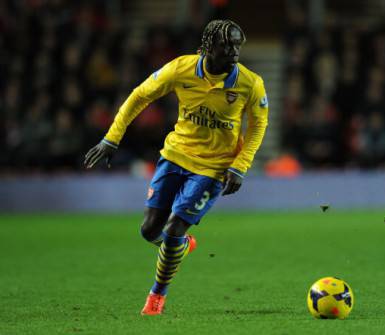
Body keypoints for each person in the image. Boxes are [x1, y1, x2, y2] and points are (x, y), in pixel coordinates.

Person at [84, 19, 269, 315]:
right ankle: (180, 246)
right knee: (148, 230)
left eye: (237, 44)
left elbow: (259, 125)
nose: (234, 50)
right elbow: (139, 95)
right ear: (209, 47)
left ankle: (157, 296)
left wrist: (240, 165)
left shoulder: (250, 83)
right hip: (175, 155)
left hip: (214, 168)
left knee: (172, 230)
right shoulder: (180, 69)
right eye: (227, 44)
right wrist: (112, 138)